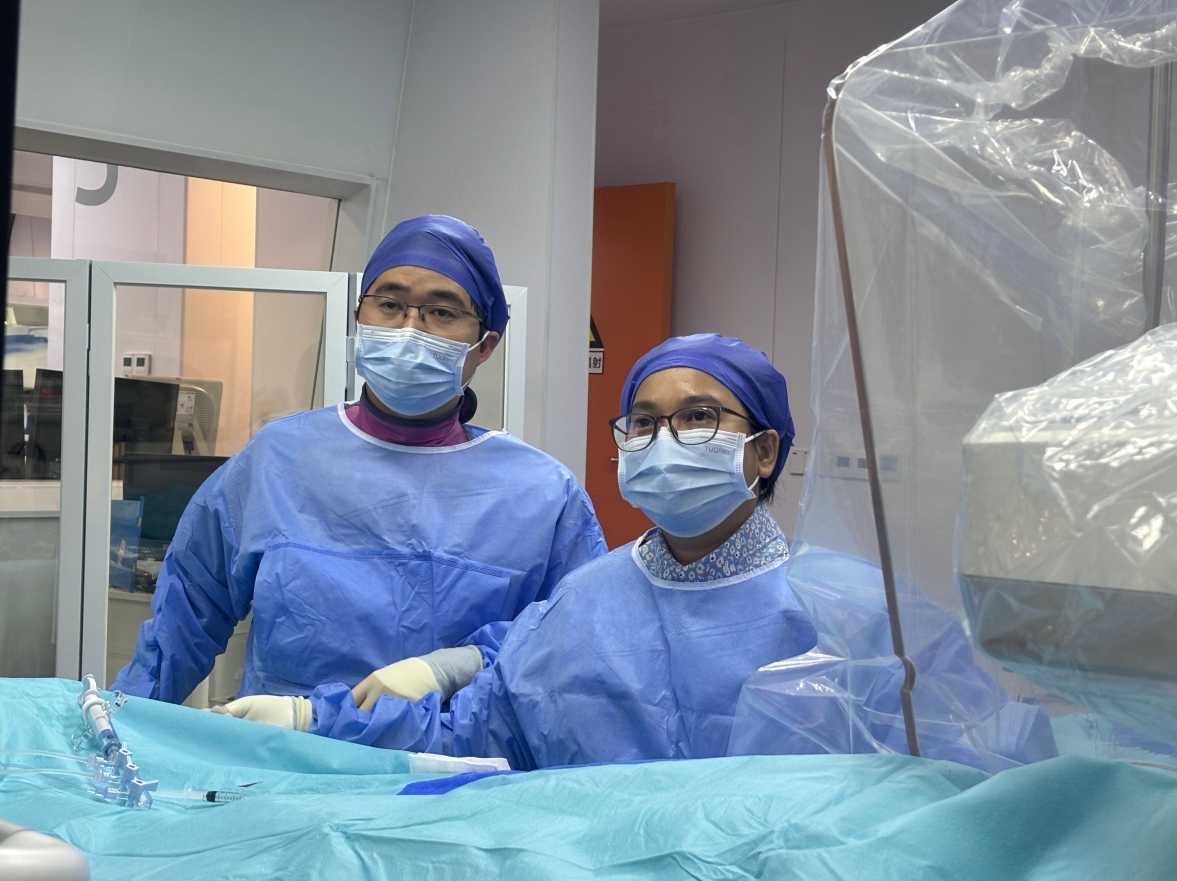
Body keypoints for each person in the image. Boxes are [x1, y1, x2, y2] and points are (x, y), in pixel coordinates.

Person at [228, 334, 819, 769]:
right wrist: (311, 721)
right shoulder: (585, 601)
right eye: (643, 422)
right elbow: (473, 736)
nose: (665, 439)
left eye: (698, 417)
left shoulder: (833, 615)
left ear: (765, 451)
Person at [112, 215, 608, 717]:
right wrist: (122, 724)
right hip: (285, 752)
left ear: (485, 346)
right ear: (359, 317)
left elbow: (575, 640)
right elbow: (187, 615)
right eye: (389, 305)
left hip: (448, 759)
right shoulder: (278, 460)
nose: (409, 329)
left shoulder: (541, 494)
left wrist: (463, 664)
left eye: (442, 312)